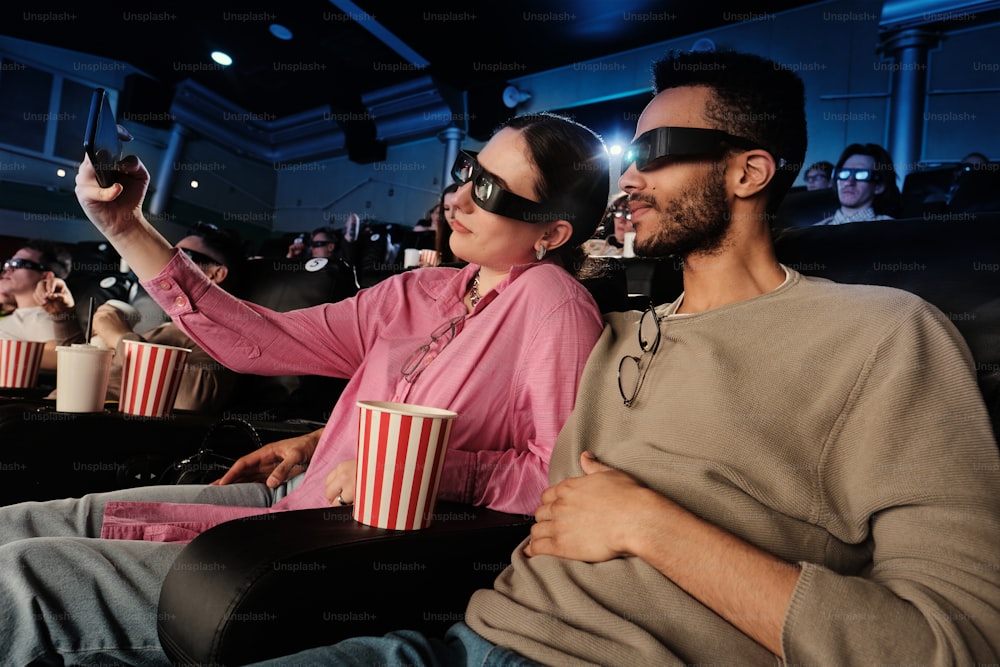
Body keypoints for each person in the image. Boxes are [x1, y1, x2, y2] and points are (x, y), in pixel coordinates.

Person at [247, 49, 1000, 667]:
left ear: (748, 172)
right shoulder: (606, 332)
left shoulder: (884, 332)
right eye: (626, 156)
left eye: (657, 153)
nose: (628, 179)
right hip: (455, 640)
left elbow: (952, 643)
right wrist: (324, 440)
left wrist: (653, 526)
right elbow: (489, 422)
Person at [0, 111, 610, 665]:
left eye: (489, 192)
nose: (457, 201)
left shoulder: (552, 303)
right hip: (293, 498)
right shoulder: (418, 293)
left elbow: (553, 480)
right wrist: (125, 225)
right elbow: (256, 340)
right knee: (34, 522)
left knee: (24, 575)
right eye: (467, 172)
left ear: (551, 234)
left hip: (346, 544)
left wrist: (413, 473)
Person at [43, 226, 247, 413]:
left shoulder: (224, 332)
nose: (166, 264)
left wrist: (119, 336)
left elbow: (190, 401)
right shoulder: (168, 327)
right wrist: (62, 314)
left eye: (181, 258)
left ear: (215, 273)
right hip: (57, 408)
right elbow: (80, 370)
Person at [0, 239, 74, 341]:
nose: (8, 269)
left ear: (47, 276)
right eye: (9, 263)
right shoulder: (8, 320)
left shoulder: (57, 327)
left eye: (18, 263)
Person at [813, 143, 901, 225]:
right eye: (844, 173)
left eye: (861, 174)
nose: (849, 182)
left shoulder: (891, 229)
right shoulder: (813, 232)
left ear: (879, 186)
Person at [582, 191, 632, 257]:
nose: (621, 221)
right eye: (619, 213)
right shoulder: (590, 247)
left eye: (628, 214)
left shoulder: (644, 257)